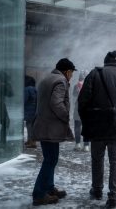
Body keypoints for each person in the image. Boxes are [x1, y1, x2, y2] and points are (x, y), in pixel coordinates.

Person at [78, 50, 116, 209]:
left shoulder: (95, 74)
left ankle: (97, 190)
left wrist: (87, 118)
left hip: (97, 125)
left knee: (97, 158)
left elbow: (83, 100)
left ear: (105, 61)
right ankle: (114, 196)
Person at [31, 58, 76, 206]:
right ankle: (39, 194)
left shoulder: (47, 79)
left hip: (44, 126)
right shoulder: (60, 81)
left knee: (51, 159)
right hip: (50, 128)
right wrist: (65, 116)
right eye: (71, 73)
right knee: (50, 160)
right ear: (67, 71)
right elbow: (56, 102)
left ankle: (49, 188)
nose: (72, 76)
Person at [0, 70, 13, 145]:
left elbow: (10, 94)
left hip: (0, 105)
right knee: (5, 122)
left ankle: (3, 142)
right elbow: (10, 94)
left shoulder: (0, 84)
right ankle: (2, 143)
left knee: (5, 122)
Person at [73, 71, 89, 151]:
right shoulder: (90, 85)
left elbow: (74, 96)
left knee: (77, 127)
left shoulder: (76, 85)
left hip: (78, 108)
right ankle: (86, 145)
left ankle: (78, 144)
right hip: (88, 109)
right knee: (87, 127)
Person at [24, 75, 37, 148]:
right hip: (34, 110)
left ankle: (32, 142)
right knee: (31, 126)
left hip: (28, 110)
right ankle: (30, 140)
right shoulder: (35, 89)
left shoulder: (27, 89)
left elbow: (24, 100)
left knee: (29, 126)